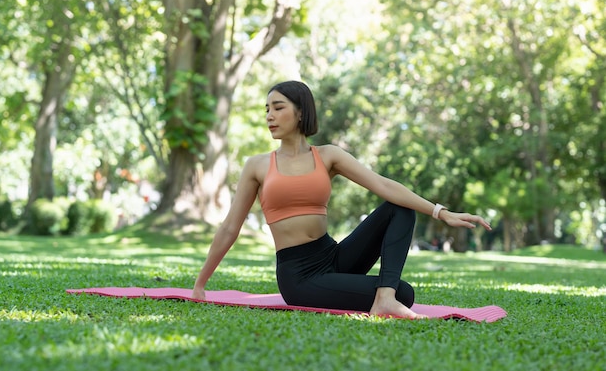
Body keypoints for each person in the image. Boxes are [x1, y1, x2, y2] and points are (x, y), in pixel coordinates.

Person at [192, 80, 491, 319]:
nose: (269, 115)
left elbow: (382, 184)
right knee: (406, 293)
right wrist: (200, 283)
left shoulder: (327, 155)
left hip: (332, 256)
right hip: (298, 275)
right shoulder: (257, 165)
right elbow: (231, 226)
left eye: (277, 107)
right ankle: (388, 296)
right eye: (266, 109)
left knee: (399, 209)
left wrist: (441, 212)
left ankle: (385, 298)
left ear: (300, 112)